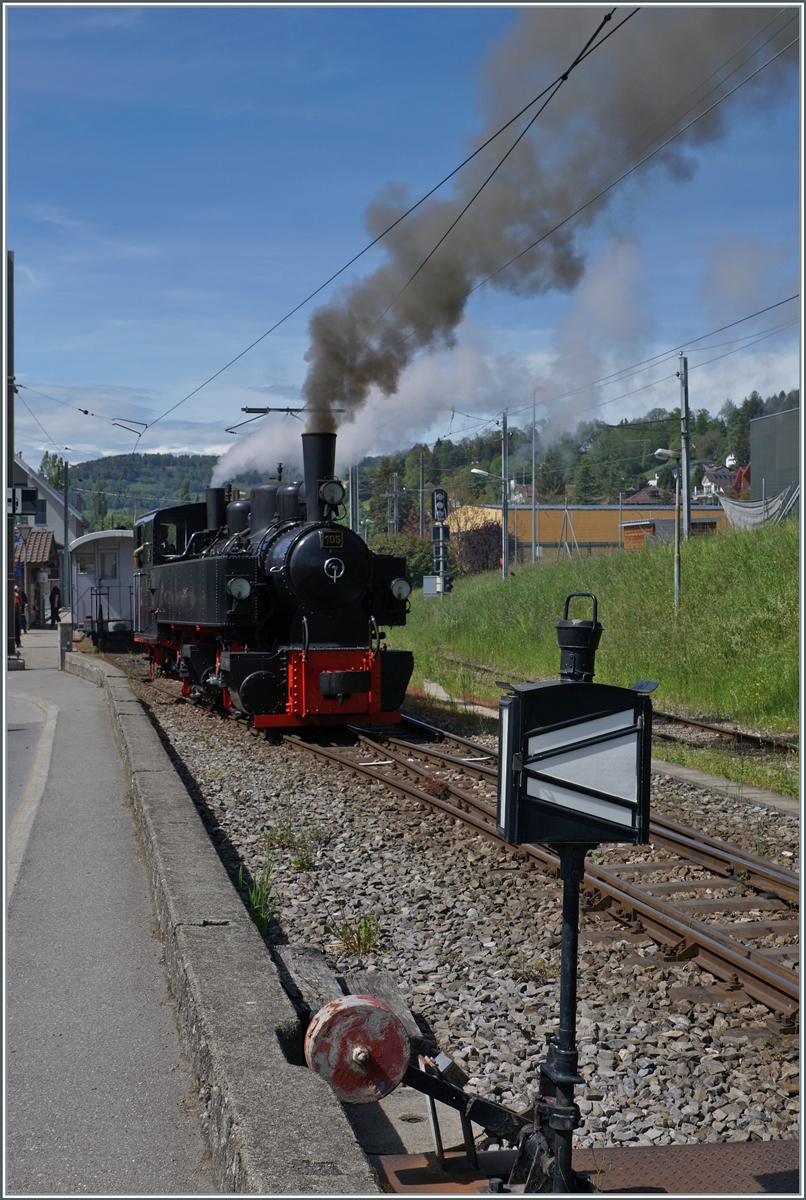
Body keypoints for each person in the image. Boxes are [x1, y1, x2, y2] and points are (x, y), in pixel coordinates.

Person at [14, 585, 23, 649]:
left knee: (17, 630)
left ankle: (18, 643)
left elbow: (20, 603)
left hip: (16, 615)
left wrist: (17, 597)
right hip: (12, 615)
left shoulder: (16, 597)